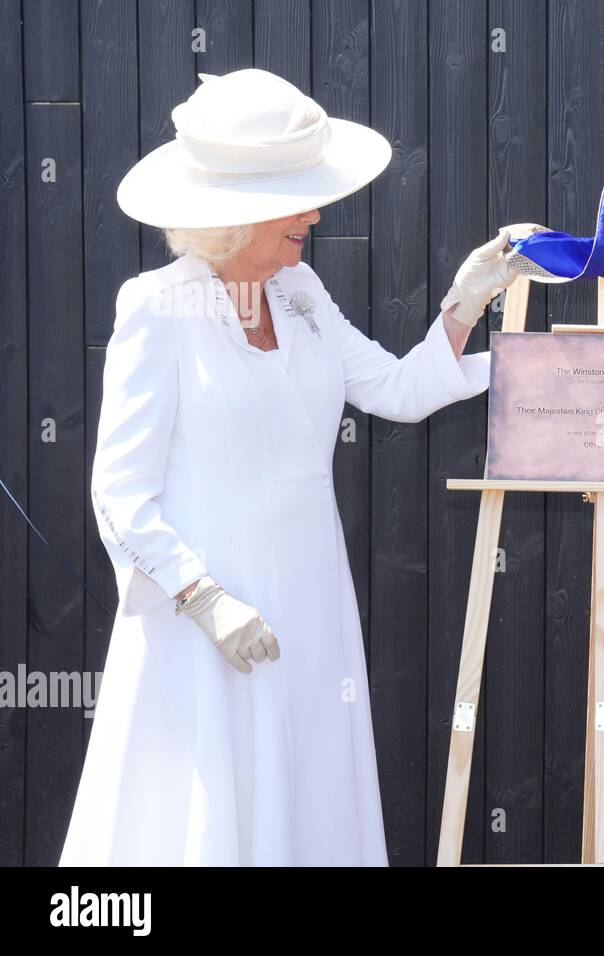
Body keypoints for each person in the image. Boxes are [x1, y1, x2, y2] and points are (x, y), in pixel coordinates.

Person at [60, 69, 531, 865]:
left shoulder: (300, 290)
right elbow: (119, 490)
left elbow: (396, 388)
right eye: (296, 197)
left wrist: (465, 306)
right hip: (207, 621)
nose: (315, 214)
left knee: (307, 799)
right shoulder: (155, 306)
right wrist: (201, 596)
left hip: (309, 606)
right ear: (233, 215)